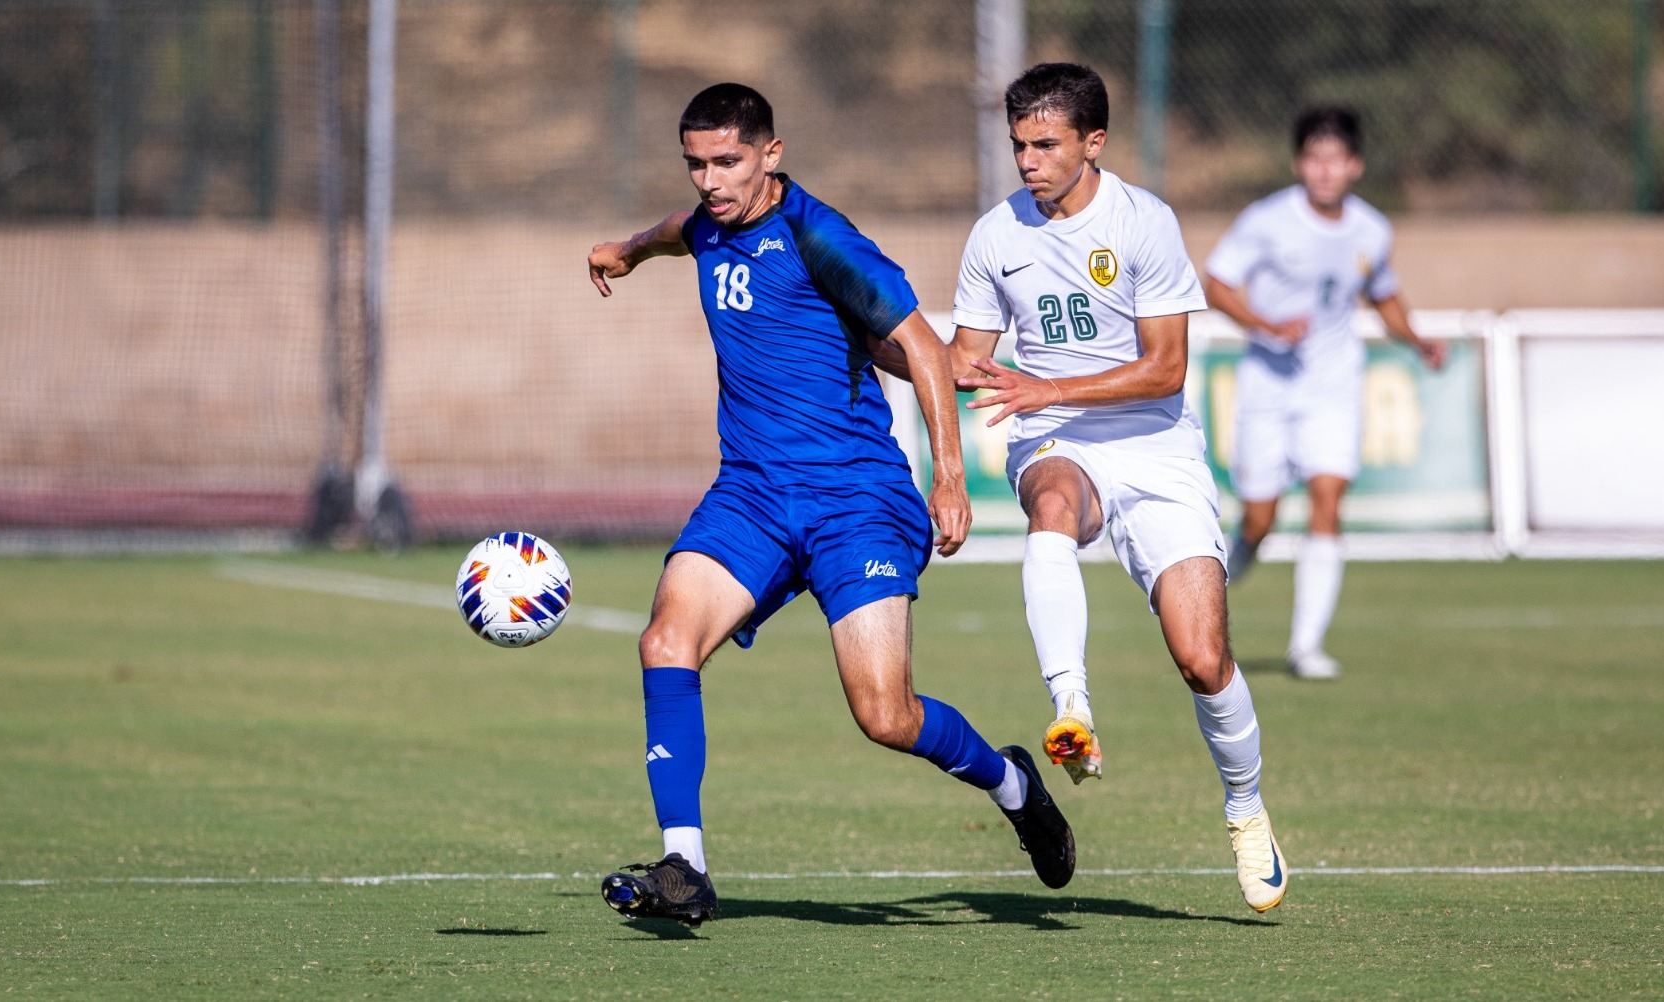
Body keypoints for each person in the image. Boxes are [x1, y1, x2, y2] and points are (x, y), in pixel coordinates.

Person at [585, 83, 1075, 926]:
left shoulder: (820, 236)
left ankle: (1011, 782)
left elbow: (922, 344)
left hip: (857, 500)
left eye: (727, 162)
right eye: (695, 164)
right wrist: (629, 251)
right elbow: (678, 232)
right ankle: (684, 865)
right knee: (665, 641)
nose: (709, 181)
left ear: (770, 156)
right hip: (751, 493)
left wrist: (949, 477)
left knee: (884, 714)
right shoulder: (706, 220)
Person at [878, 63, 1286, 914]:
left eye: (1045, 145)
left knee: (1202, 660)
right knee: (1052, 507)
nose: (1027, 161)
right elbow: (963, 364)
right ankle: (1072, 710)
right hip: (1054, 437)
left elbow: (1166, 369)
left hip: (1155, 444)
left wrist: (1048, 386)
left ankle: (1245, 809)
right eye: (1018, 144)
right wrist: (869, 334)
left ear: (1092, 143)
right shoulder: (997, 234)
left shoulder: (1144, 223)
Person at [1203, 107, 1446, 681]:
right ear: (1299, 164)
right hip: (1268, 386)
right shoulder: (1267, 220)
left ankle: (1305, 646)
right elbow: (1216, 282)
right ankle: (1202, 602)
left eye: (1335, 159)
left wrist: (1417, 340)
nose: (1324, 170)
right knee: (1259, 522)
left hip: (1333, 387)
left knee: (1327, 499)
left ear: (1354, 166)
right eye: (1314, 158)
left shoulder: (1372, 230)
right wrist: (1265, 324)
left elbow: (1383, 295)